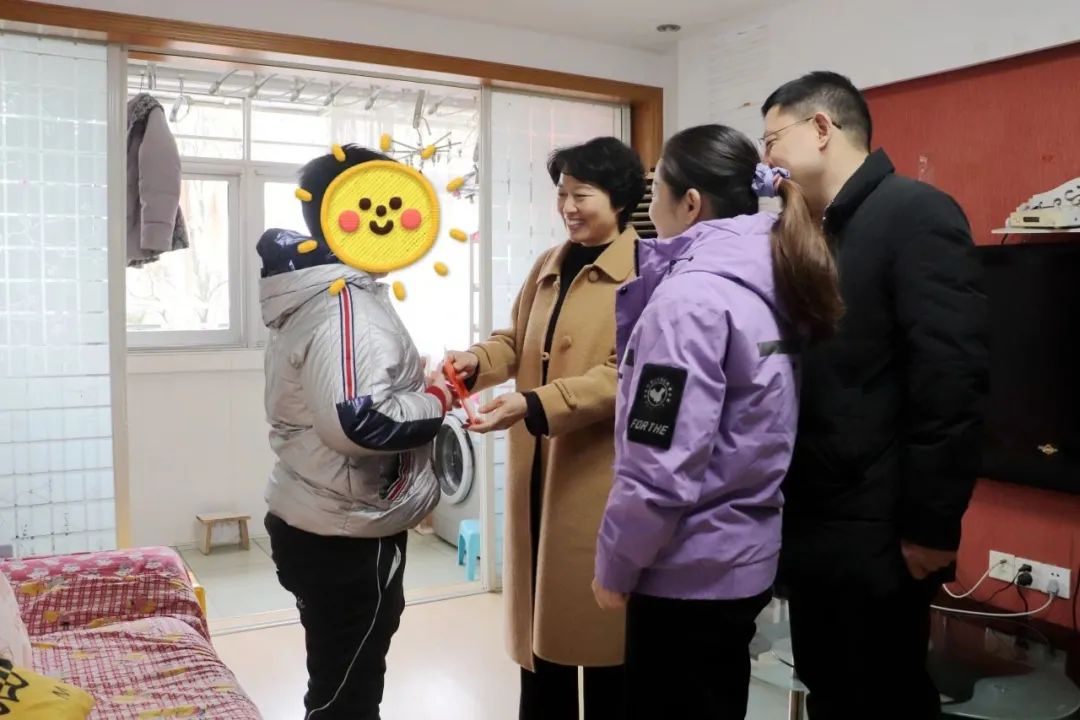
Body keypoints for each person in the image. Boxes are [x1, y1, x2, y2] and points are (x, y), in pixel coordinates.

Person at [591, 124, 842, 720]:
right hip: (745, 558)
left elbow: (660, 465)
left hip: (684, 570)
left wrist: (617, 564)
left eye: (656, 190)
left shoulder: (689, 303)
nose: (649, 206)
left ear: (691, 203)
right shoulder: (775, 278)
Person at [760, 72, 988, 718]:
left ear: (821, 128)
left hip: (881, 532)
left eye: (772, 140)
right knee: (830, 688)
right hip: (817, 521)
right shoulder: (813, 229)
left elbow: (951, 379)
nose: (766, 160)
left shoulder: (916, 214)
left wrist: (932, 526)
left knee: (883, 697)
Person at [445, 137, 646, 719]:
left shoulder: (645, 273)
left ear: (619, 198)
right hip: (534, 471)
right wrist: (475, 362)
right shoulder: (549, 264)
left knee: (604, 652)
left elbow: (627, 374)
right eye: (562, 194)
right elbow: (516, 340)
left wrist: (533, 403)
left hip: (597, 479)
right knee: (540, 653)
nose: (568, 207)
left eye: (582, 194)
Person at [258, 145, 453, 720]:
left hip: (321, 516)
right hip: (345, 532)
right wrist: (440, 398)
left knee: (338, 680)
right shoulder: (347, 307)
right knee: (347, 695)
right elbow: (361, 420)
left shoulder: (322, 292)